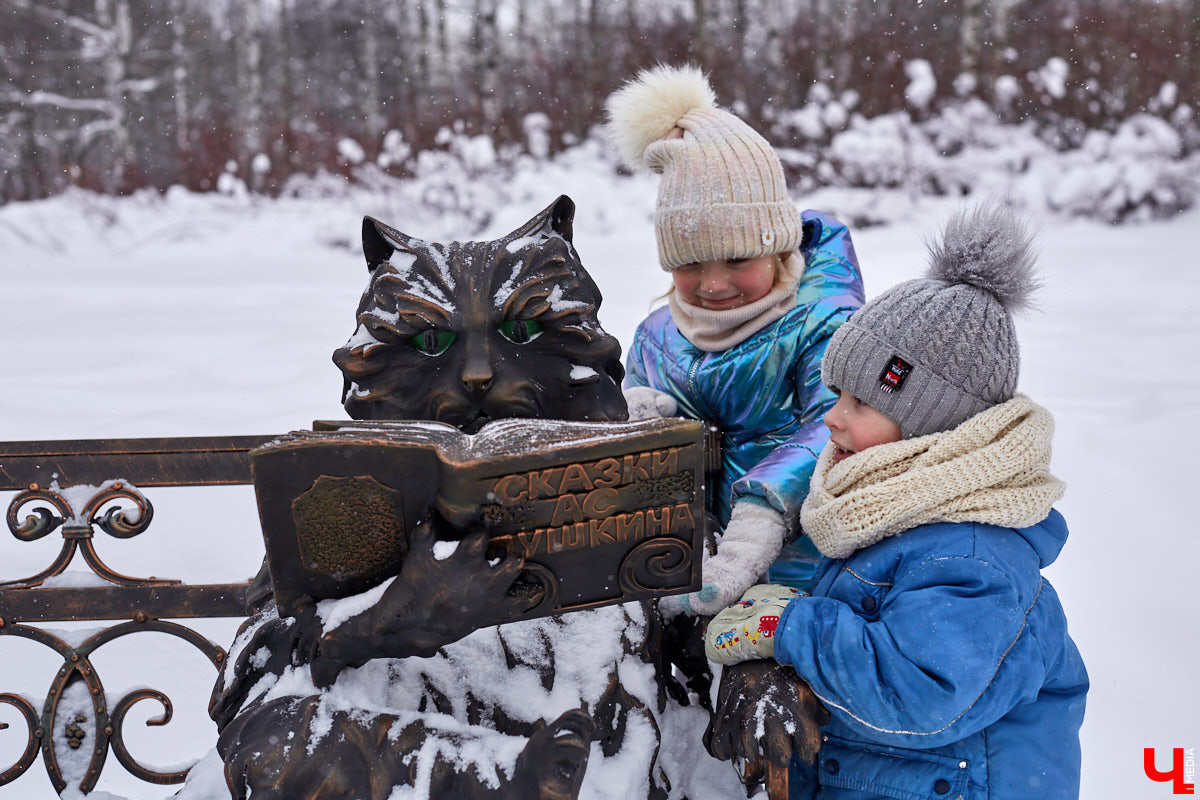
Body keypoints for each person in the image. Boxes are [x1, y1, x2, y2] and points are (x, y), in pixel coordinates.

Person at [704, 201, 1089, 799]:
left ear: (931, 423)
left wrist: (792, 627)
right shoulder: (898, 517)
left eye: (861, 403)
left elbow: (920, 693)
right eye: (836, 395)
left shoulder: (970, 555)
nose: (832, 418)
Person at [608, 64, 865, 614]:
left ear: (779, 246)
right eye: (691, 263)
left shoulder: (822, 321)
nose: (715, 283)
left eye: (738, 258)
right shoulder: (657, 337)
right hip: (689, 566)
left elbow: (839, 425)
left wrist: (761, 515)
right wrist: (642, 424)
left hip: (813, 570)